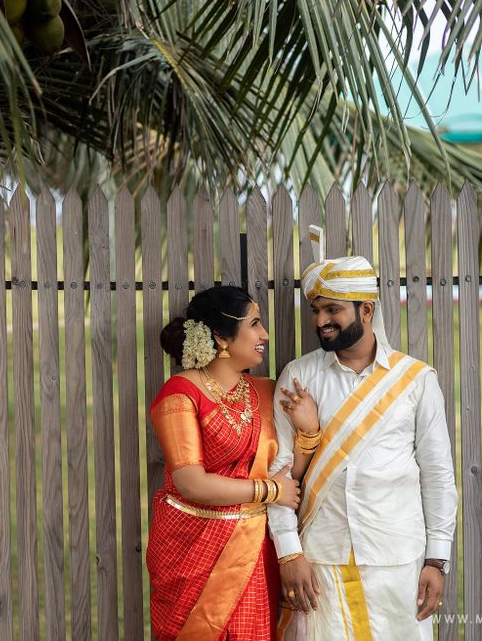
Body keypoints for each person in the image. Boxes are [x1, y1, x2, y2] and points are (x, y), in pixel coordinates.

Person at [269, 231, 458, 640]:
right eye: (316, 310)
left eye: (333, 309)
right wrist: (289, 553)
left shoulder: (415, 380)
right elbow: (279, 475)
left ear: (366, 310)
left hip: (397, 560)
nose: (320, 321)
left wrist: (437, 560)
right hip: (320, 563)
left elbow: (438, 474)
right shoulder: (299, 377)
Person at [147, 286, 306, 641]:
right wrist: (270, 491)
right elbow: (191, 483)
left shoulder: (265, 391)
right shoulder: (180, 394)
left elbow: (288, 468)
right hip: (192, 550)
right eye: (254, 323)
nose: (264, 334)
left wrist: (308, 431)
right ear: (221, 336)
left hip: (251, 550)